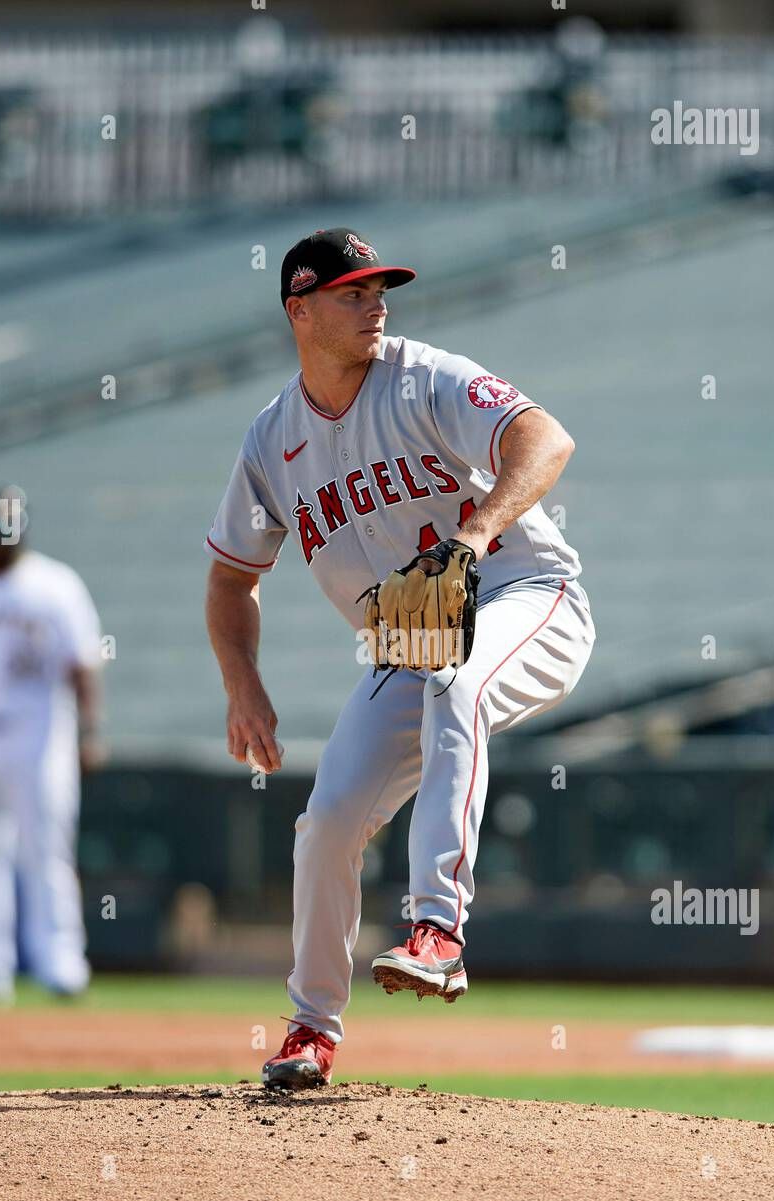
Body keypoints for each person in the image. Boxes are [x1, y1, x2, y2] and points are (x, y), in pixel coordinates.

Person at [204, 228, 595, 1088]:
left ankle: (439, 933)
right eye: (352, 292)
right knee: (331, 818)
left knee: (457, 680)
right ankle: (311, 1029)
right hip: (410, 634)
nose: (375, 303)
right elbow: (232, 581)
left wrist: (475, 534)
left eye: (380, 288)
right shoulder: (272, 441)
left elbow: (547, 440)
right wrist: (245, 688)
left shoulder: (424, 377)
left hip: (526, 593)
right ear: (298, 309)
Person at [0, 487, 103, 1001]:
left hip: (39, 732)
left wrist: (91, 730)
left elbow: (84, 664)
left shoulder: (55, 584)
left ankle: (61, 965)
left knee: (45, 849)